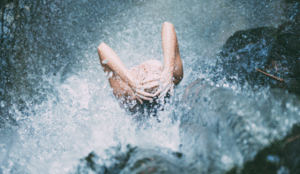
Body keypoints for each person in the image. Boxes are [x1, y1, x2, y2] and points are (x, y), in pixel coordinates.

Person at [97, 22, 183, 111]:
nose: (146, 68)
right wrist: (168, 70)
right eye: (156, 71)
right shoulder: (174, 77)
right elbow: (168, 26)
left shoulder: (126, 96)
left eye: (142, 74)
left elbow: (102, 48)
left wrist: (131, 82)